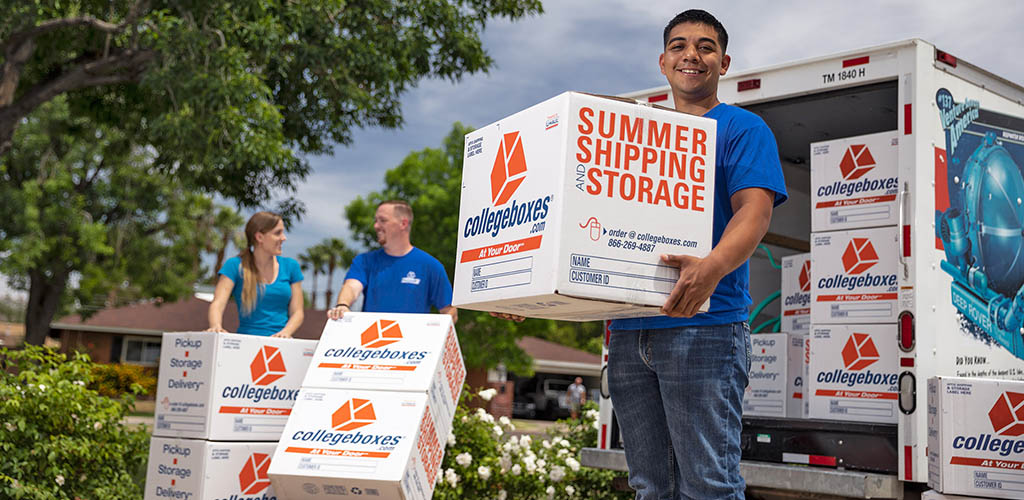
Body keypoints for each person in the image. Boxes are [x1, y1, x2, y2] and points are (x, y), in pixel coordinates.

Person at [605, 10, 788, 499]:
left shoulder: (743, 129)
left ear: (724, 63)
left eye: (706, 47)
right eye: (680, 46)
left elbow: (754, 212)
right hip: (628, 329)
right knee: (650, 487)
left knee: (708, 486)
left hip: (705, 329)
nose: (692, 55)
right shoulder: (633, 135)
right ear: (663, 62)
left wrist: (712, 267)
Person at [327, 200, 457, 321]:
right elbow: (351, 286)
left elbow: (449, 311)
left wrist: (437, 331)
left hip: (413, 343)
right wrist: (343, 305)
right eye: (376, 220)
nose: (376, 226)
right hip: (371, 342)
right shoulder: (364, 261)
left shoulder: (430, 266)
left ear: (403, 224)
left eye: (382, 220)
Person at [208, 211, 305, 337]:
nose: (284, 238)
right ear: (259, 237)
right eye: (277, 233)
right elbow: (218, 303)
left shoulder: (291, 267)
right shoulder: (234, 265)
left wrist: (285, 333)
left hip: (282, 345)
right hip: (247, 343)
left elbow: (297, 312)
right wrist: (216, 326)